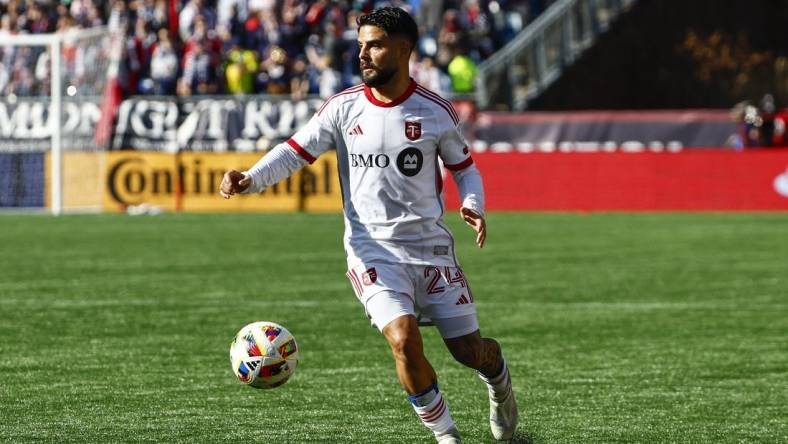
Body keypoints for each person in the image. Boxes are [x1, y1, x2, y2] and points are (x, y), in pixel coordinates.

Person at [219, 7, 518, 443]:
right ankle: (447, 437)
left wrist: (472, 203)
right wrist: (250, 178)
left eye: (374, 45)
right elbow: (294, 151)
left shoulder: (435, 111)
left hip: (430, 249)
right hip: (371, 251)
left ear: (404, 49)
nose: (364, 54)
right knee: (402, 339)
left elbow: (465, 168)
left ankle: (499, 382)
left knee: (470, 353)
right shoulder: (342, 108)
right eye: (361, 45)